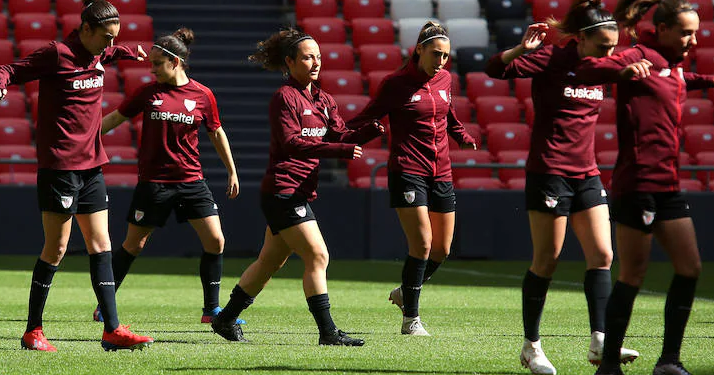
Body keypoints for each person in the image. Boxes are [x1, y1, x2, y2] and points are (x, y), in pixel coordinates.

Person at [573, 0, 714, 375]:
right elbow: (587, 69)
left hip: (668, 183)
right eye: (686, 33)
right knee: (633, 274)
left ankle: (669, 362)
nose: (694, 40)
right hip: (638, 185)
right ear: (663, 29)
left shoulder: (674, 64)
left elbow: (680, 77)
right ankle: (609, 369)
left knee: (690, 268)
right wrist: (620, 71)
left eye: (696, 33)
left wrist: (713, 80)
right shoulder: (640, 56)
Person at [485, 0, 646, 375]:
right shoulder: (553, 59)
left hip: (587, 172)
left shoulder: (603, 66)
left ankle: (600, 341)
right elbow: (495, 69)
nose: (609, 55)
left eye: (614, 47)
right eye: (603, 46)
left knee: (603, 256)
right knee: (548, 259)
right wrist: (518, 50)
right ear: (581, 39)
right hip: (549, 172)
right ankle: (531, 346)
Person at [0, 0, 154, 352]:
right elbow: (11, 69)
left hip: (92, 165)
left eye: (116, 37)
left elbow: (113, 52)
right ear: (86, 29)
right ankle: (33, 330)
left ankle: (112, 329)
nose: (111, 43)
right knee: (57, 247)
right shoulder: (56, 54)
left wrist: (128, 50)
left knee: (101, 245)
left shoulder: (99, 52)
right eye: (107, 36)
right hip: (60, 167)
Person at [210, 27, 383, 346]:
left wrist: (370, 131)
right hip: (283, 190)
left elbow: (340, 136)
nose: (316, 62)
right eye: (308, 57)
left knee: (268, 262)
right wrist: (340, 150)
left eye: (318, 56)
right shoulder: (284, 98)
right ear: (289, 62)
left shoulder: (323, 98)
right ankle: (329, 334)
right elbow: (292, 144)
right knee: (318, 256)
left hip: (297, 190)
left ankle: (224, 319)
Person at [92, 27, 243, 325]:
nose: (152, 69)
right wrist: (84, 137)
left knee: (216, 240)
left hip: (191, 181)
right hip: (154, 184)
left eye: (158, 63)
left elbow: (216, 132)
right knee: (134, 245)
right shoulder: (148, 93)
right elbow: (114, 118)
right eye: (151, 63)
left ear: (176, 62)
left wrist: (232, 170)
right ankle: (103, 305)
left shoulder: (202, 95)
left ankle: (211, 310)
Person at [347, 21, 477, 336]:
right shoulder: (395, 83)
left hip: (441, 171)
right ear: (419, 50)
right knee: (421, 243)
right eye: (436, 54)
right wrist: (335, 134)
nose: (441, 61)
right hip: (408, 170)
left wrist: (462, 135)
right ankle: (411, 320)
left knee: (442, 250)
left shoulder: (446, 79)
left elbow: (449, 116)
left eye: (446, 56)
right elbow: (368, 114)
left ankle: (405, 290)